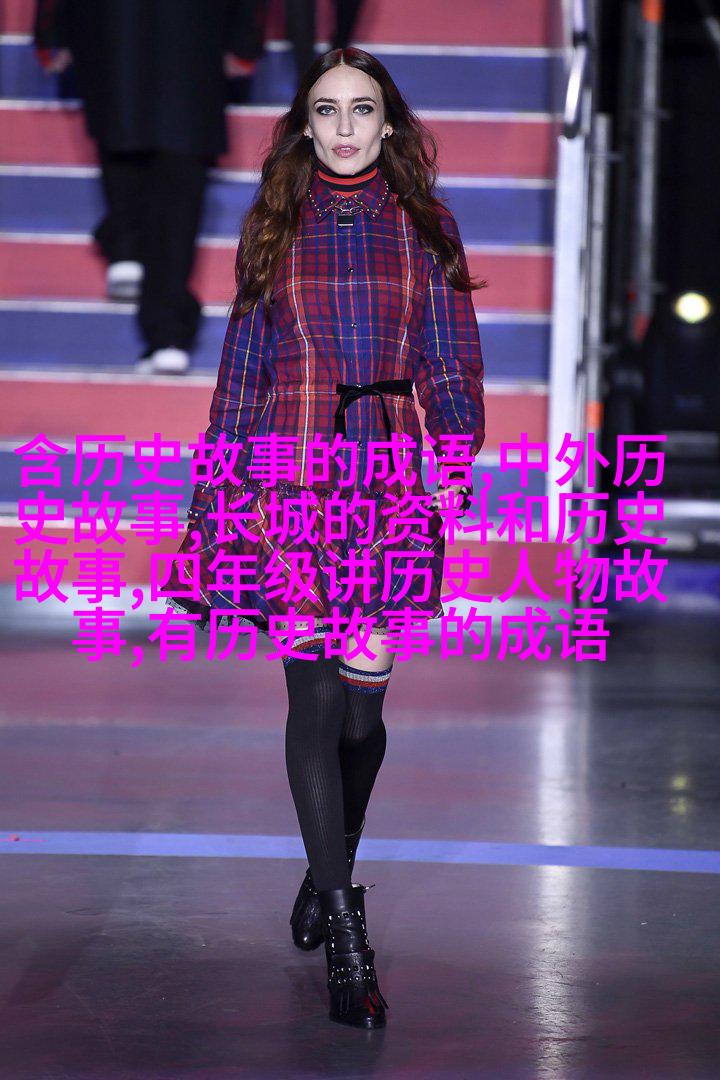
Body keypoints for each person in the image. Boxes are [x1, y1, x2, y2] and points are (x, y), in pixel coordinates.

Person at [162, 46, 486, 1029]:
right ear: (306, 125)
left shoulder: (426, 226)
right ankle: (349, 931)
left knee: (361, 707)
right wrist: (215, 491)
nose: (345, 128)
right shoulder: (274, 224)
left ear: (390, 124)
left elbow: (451, 359)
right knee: (311, 695)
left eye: (362, 110)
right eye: (328, 111)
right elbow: (241, 368)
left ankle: (325, 862)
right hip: (289, 473)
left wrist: (455, 451)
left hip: (386, 473)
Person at [33, 0, 256, 375]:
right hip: (191, 34)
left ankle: (126, 246)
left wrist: (52, 31)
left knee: (121, 109)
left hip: (113, 26)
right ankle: (168, 330)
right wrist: (245, 38)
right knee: (179, 157)